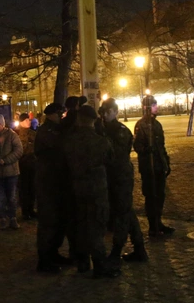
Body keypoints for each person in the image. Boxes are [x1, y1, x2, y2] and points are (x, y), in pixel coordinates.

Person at [63, 105, 119, 279]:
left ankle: (82, 262)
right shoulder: (100, 141)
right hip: (96, 189)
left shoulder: (69, 140)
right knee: (96, 227)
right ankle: (100, 265)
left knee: (81, 225)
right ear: (94, 121)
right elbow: (111, 160)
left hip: (76, 188)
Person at [101, 98, 147, 262]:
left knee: (122, 213)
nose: (106, 115)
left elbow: (116, 156)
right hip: (113, 176)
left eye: (109, 112)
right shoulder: (104, 129)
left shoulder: (120, 131)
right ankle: (139, 248)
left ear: (115, 112)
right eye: (104, 112)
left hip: (120, 175)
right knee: (126, 211)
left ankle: (116, 250)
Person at [34, 103, 73, 273]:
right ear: (53, 115)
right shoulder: (46, 132)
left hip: (57, 181)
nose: (62, 117)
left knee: (59, 221)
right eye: (60, 115)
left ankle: (53, 252)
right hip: (47, 182)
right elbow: (58, 148)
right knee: (48, 222)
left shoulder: (55, 130)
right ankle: (44, 260)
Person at [133, 95, 174, 237]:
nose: (157, 107)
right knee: (151, 196)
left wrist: (166, 162)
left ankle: (159, 221)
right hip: (148, 168)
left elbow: (161, 147)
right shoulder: (141, 125)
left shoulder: (157, 124)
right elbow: (137, 145)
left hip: (158, 166)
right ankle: (153, 225)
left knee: (160, 195)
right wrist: (146, 150)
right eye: (154, 105)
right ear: (147, 107)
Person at [16, 112, 37, 220]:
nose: (29, 121)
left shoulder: (33, 133)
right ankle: (25, 211)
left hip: (32, 164)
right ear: (21, 122)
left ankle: (31, 209)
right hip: (22, 164)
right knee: (24, 189)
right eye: (26, 120)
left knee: (32, 188)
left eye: (29, 120)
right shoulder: (17, 134)